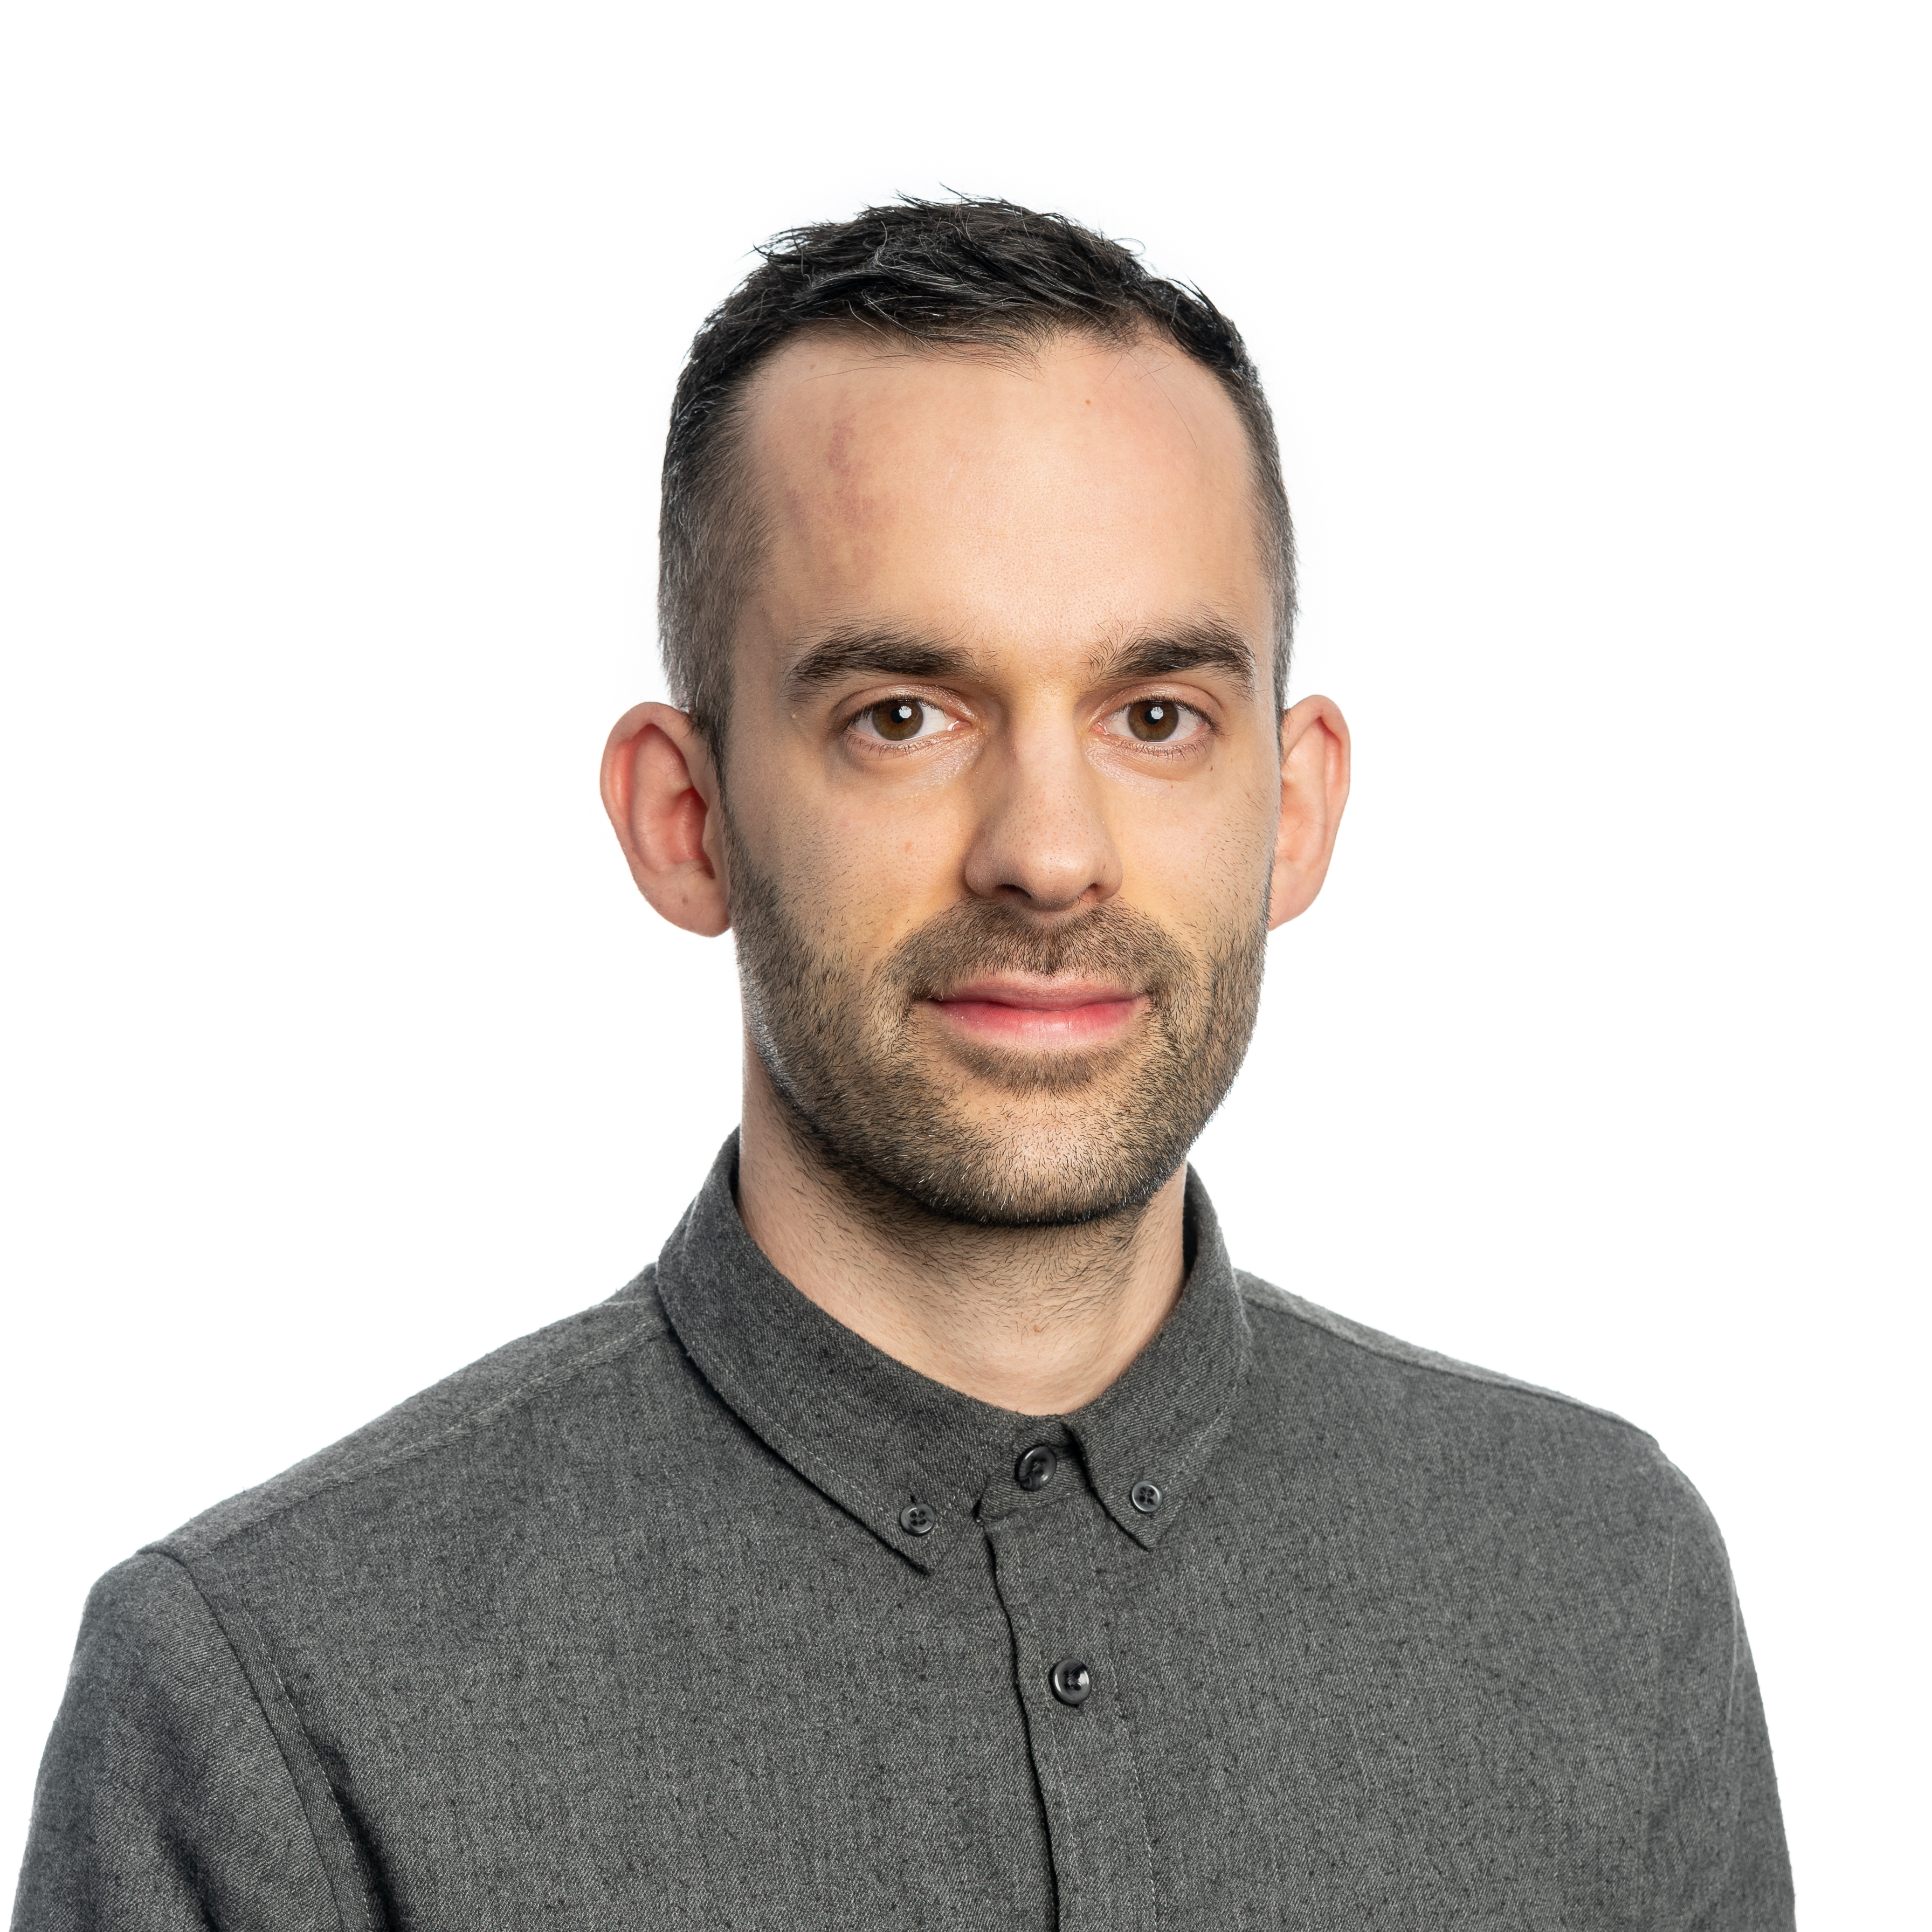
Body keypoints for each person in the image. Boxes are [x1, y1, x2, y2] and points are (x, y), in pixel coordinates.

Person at [13, 198, 1793, 1930]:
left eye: (1155, 717)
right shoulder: (273, 1707)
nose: (1049, 854)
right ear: (687, 819)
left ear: (1295, 805)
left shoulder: (1603, 1591)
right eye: (904, 718)